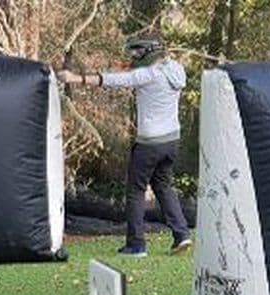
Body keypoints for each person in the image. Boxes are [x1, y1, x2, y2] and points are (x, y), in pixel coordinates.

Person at [58, 36, 192, 257]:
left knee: (135, 191)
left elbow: (112, 80)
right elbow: (139, 70)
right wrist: (129, 66)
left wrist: (73, 78)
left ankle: (136, 245)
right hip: (171, 141)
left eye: (137, 54)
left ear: (148, 54)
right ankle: (182, 234)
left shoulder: (146, 75)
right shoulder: (176, 69)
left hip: (150, 143)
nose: (134, 58)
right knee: (163, 186)